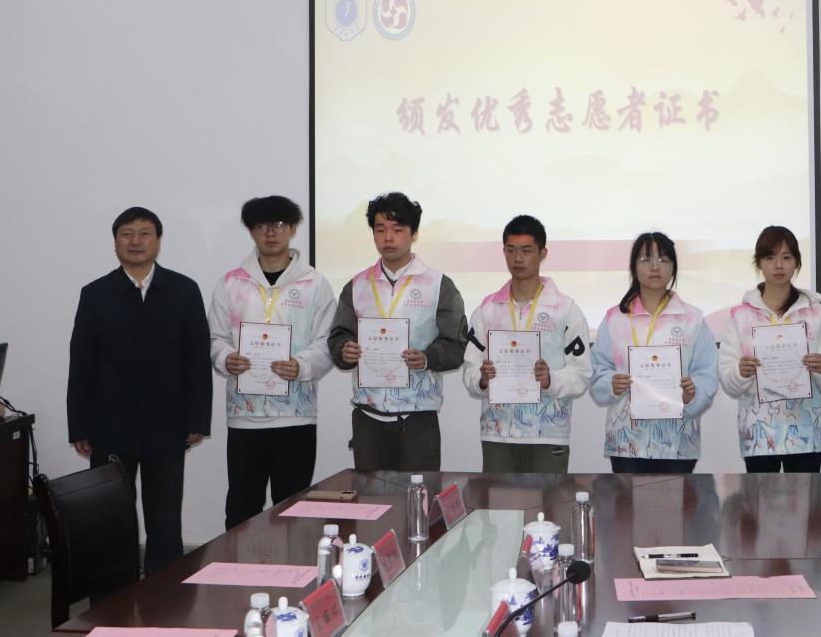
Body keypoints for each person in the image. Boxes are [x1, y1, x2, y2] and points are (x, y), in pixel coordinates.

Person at [66, 206, 211, 574]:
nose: (135, 241)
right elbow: (81, 364)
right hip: (109, 426)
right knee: (111, 516)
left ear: (158, 242)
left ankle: (165, 591)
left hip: (168, 424)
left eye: (144, 233)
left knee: (165, 517)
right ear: (115, 243)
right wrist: (79, 425)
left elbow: (196, 360)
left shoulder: (184, 290)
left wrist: (198, 419)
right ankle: (111, 591)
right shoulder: (95, 294)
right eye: (126, 234)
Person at [208, 196, 336, 529]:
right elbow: (215, 338)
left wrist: (302, 366)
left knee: (292, 513)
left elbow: (327, 341)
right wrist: (225, 358)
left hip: (296, 415)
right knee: (241, 510)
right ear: (251, 231)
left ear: (292, 229)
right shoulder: (231, 283)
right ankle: (236, 565)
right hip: (244, 418)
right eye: (261, 225)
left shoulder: (315, 284)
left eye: (279, 224)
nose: (270, 232)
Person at [327, 192, 467, 471]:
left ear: (414, 234)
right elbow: (338, 334)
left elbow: (457, 343)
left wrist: (427, 358)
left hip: (418, 416)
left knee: (419, 494)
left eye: (397, 229)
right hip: (368, 415)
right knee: (370, 496)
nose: (388, 237)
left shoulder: (438, 284)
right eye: (380, 230)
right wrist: (344, 350)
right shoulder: (357, 285)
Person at [460, 215, 591, 473]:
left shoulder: (565, 310)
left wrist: (551, 380)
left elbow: (582, 372)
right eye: (511, 250)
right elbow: (470, 368)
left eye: (526, 251)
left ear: (543, 253)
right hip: (498, 433)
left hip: (548, 433)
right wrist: (482, 380)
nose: (517, 258)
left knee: (549, 499)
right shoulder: (487, 310)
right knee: (498, 500)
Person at [718, 225, 821, 473]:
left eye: (786, 257)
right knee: (761, 499)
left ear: (797, 262)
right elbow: (728, 382)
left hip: (807, 433)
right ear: (759, 263)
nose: (778, 265)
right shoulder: (740, 316)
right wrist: (741, 372)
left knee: (807, 497)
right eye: (770, 257)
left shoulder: (817, 314)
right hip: (759, 434)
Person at [589, 231, 718, 474]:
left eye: (664, 260)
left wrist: (691, 395)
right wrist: (611, 384)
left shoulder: (692, 319)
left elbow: (707, 372)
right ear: (634, 267)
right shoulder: (616, 318)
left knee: (676, 500)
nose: (655, 266)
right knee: (625, 501)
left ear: (674, 267)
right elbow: (598, 369)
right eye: (646, 259)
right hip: (626, 442)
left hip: (677, 442)